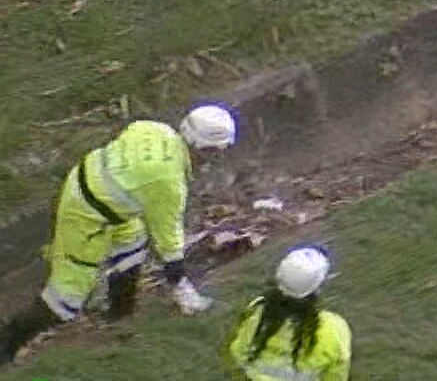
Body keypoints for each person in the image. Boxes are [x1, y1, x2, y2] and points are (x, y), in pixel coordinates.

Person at [0, 103, 237, 365]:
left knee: (133, 243)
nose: (219, 157)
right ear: (207, 149)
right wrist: (181, 286)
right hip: (87, 217)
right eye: (219, 151)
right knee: (66, 300)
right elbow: (168, 239)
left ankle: (120, 318)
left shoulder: (155, 129)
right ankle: (8, 343)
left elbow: (128, 141)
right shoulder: (167, 183)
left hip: (95, 188)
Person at [224, 247, 351, 381]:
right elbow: (336, 375)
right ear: (317, 289)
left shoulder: (256, 312)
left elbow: (237, 353)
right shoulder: (332, 329)